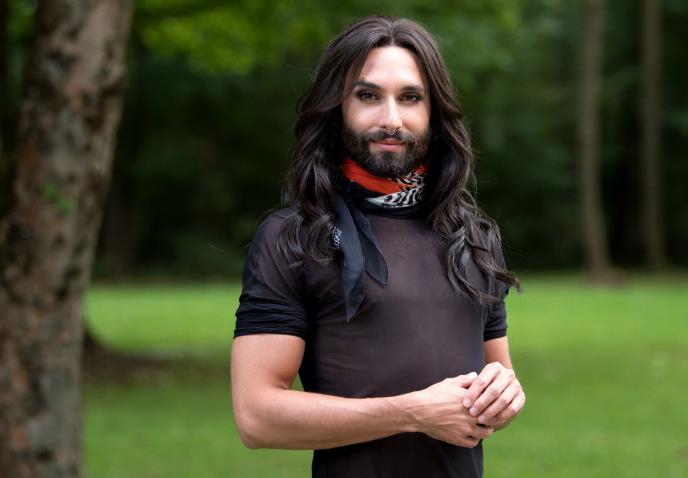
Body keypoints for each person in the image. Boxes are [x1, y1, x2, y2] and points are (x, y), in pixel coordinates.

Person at [231, 15, 525, 478]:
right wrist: (411, 413)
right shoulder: (292, 237)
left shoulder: (471, 236)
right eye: (368, 96)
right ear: (337, 107)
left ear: (434, 112)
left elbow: (496, 380)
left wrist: (504, 396)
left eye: (410, 98)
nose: (391, 119)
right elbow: (257, 417)